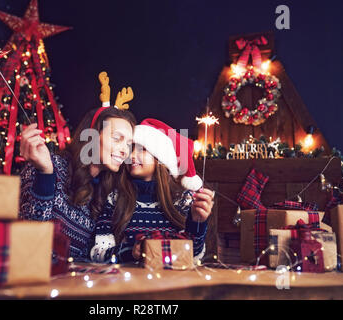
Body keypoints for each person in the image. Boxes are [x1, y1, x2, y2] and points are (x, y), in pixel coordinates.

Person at [19, 72, 136, 261]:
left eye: (129, 144)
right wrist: (45, 174)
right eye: (117, 138)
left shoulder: (104, 191)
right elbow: (31, 241)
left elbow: (87, 257)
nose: (125, 150)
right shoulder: (50, 166)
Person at [90, 118, 214, 264]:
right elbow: (98, 253)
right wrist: (131, 252)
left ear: (160, 159)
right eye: (130, 149)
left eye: (142, 149)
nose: (131, 156)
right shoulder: (115, 198)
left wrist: (197, 223)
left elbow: (194, 256)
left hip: (171, 282)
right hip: (125, 283)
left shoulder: (183, 199)